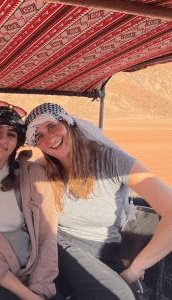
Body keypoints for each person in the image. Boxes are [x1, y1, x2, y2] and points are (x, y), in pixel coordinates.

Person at [25, 103, 172, 300]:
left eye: (51, 126)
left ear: (68, 123)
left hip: (106, 253)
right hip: (60, 245)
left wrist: (137, 267)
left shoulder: (110, 160)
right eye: (39, 136)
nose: (49, 138)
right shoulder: (40, 170)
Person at [0, 101, 59, 300]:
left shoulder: (34, 175)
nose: (2, 139)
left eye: (11, 134)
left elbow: (47, 237)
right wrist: (27, 296)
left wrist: (39, 289)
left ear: (18, 142)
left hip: (36, 273)